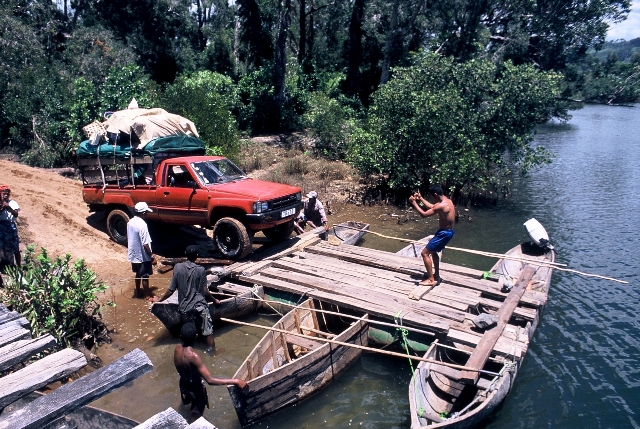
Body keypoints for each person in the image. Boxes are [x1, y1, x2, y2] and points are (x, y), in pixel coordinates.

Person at [174, 322, 247, 420]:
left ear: (181, 336)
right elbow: (210, 380)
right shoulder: (193, 356)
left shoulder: (177, 349)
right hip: (196, 389)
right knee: (196, 417)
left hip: (183, 384)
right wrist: (236, 381)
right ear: (196, 336)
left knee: (184, 404)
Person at [153, 245, 220, 350]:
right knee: (208, 333)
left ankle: (188, 353)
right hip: (200, 306)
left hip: (185, 309)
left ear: (185, 254)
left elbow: (171, 290)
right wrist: (214, 300)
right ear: (197, 256)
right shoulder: (201, 270)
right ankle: (212, 353)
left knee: (189, 334)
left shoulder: (177, 267)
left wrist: (159, 301)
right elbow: (205, 291)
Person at [409, 185, 455, 287]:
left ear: (435, 194)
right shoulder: (447, 201)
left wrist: (414, 203)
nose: (432, 199)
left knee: (424, 253)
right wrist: (421, 198)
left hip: (444, 233)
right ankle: (436, 276)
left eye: (432, 197)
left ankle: (431, 280)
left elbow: (424, 214)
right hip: (447, 232)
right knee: (433, 252)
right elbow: (432, 207)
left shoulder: (442, 206)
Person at [127, 201, 155, 299]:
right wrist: (151, 256)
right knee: (145, 276)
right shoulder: (143, 225)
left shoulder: (130, 222)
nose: (147, 214)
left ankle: (138, 292)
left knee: (138, 273)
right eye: (146, 212)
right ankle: (147, 295)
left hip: (134, 254)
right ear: (143, 213)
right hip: (143, 256)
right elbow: (145, 244)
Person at [0, 185, 21, 272]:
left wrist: (7, 207)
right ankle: (4, 265)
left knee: (15, 247)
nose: (6, 195)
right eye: (4, 193)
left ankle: (19, 266)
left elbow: (15, 214)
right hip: (0, 226)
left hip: (10, 226)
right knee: (1, 247)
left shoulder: (13, 203)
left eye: (7, 193)